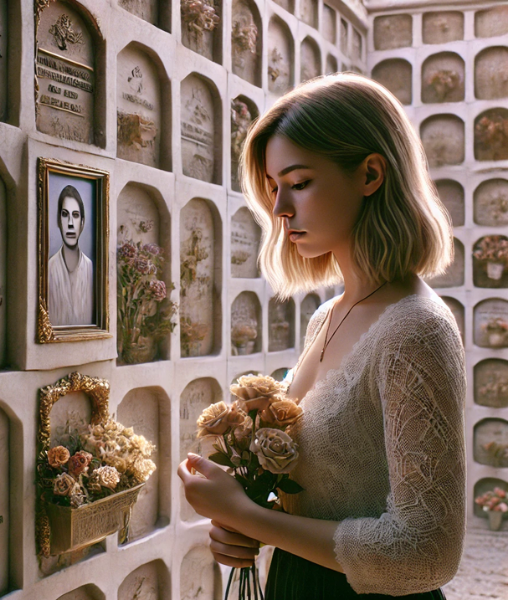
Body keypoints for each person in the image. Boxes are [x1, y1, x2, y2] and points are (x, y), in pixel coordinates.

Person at [178, 73, 466, 599]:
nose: (280, 209)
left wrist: (247, 515)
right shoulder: (327, 315)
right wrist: (249, 524)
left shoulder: (416, 330)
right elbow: (331, 496)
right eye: (273, 188)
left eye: (300, 182)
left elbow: (427, 553)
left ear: (371, 174)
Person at [48, 184, 94, 325]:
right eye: (65, 214)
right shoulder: (50, 267)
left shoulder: (89, 267)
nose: (70, 224)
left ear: (82, 222)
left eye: (75, 215)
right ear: (58, 221)